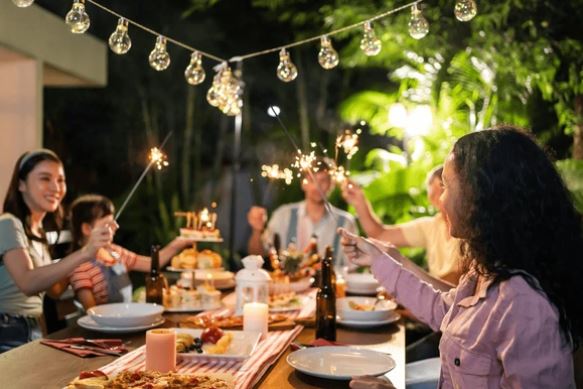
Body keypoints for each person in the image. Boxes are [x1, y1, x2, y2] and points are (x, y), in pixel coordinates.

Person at [341, 125, 582, 388]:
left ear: (480, 196)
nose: (440, 200)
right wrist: (379, 261)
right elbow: (443, 308)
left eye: (445, 186)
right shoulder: (486, 271)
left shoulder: (523, 302)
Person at [0, 149, 114, 352]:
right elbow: (28, 282)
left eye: (61, 180)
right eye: (45, 178)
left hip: (31, 330)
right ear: (21, 184)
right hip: (7, 331)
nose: (56, 187)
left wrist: (90, 256)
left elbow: (54, 290)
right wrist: (85, 252)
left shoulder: (38, 233)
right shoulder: (8, 223)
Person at [69, 194, 194, 310]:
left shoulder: (115, 252)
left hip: (128, 320)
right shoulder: (80, 267)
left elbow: (152, 263)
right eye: (107, 224)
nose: (116, 227)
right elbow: (91, 312)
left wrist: (180, 242)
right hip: (105, 329)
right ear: (86, 229)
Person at [341, 166, 461, 287]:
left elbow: (457, 284)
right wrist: (359, 201)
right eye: (438, 188)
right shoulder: (432, 225)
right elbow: (380, 235)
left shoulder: (471, 230)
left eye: (444, 186)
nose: (440, 195)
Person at [247, 157, 357, 270]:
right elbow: (257, 254)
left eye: (323, 180)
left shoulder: (345, 223)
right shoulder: (283, 215)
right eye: (312, 180)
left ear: (331, 184)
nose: (317, 186)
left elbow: (352, 267)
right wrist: (256, 230)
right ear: (303, 183)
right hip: (289, 286)